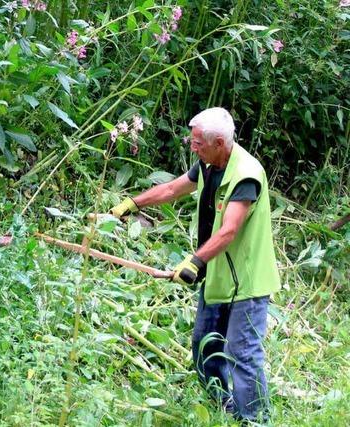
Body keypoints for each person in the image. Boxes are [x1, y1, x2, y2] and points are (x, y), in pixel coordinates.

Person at [109, 107, 280, 422]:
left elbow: (229, 230)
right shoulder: (208, 163)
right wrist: (131, 204)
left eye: (198, 142)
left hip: (247, 282)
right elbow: (172, 189)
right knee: (204, 346)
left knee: (242, 354)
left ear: (218, 143)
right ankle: (222, 408)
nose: (192, 146)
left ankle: (255, 419)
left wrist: (195, 260)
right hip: (218, 274)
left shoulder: (246, 174)